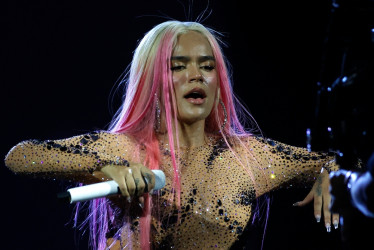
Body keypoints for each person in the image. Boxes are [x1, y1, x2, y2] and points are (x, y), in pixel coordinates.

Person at [4, 20, 342, 249]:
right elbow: (20, 156)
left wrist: (329, 174)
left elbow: (342, 162)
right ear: (153, 78)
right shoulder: (126, 149)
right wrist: (106, 168)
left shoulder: (249, 156)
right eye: (178, 66)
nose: (196, 76)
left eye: (207, 66)